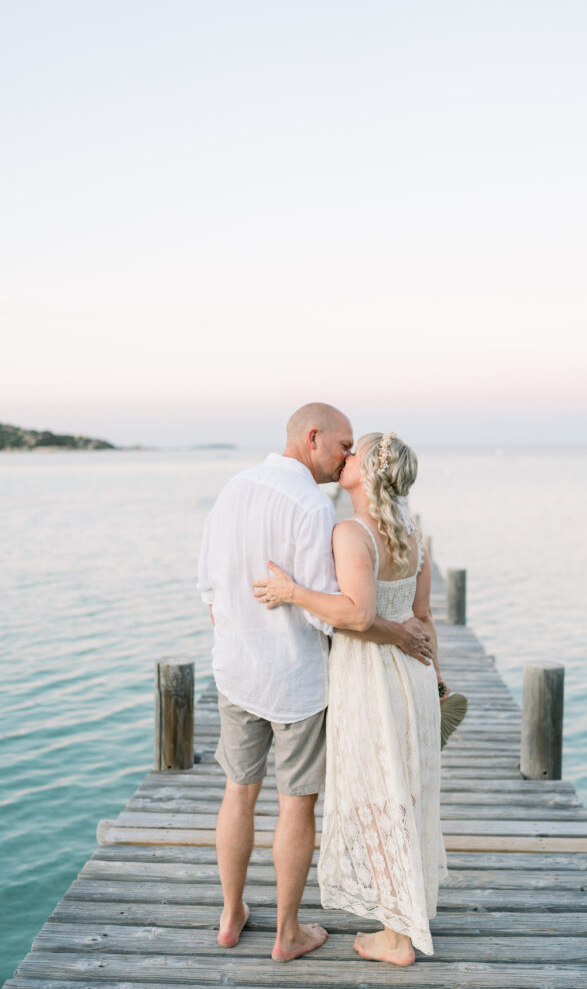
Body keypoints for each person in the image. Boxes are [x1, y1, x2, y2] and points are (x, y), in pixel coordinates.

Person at [197, 407, 434, 963]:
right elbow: (339, 615)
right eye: (342, 445)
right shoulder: (313, 506)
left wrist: (240, 636)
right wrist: (400, 634)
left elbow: (208, 587)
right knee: (295, 805)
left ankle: (230, 915)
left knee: (238, 791)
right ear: (313, 439)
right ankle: (287, 932)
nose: (345, 456)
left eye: (354, 450)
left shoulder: (234, 488)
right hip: (297, 679)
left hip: (236, 670)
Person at [254, 431, 448, 965]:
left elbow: (356, 614)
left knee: (375, 797)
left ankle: (397, 937)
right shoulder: (413, 535)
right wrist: (437, 677)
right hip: (412, 674)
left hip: (370, 677)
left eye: (355, 452)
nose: (346, 457)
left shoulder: (351, 532)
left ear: (370, 471)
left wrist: (292, 592)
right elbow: (424, 617)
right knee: (405, 793)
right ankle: (399, 922)